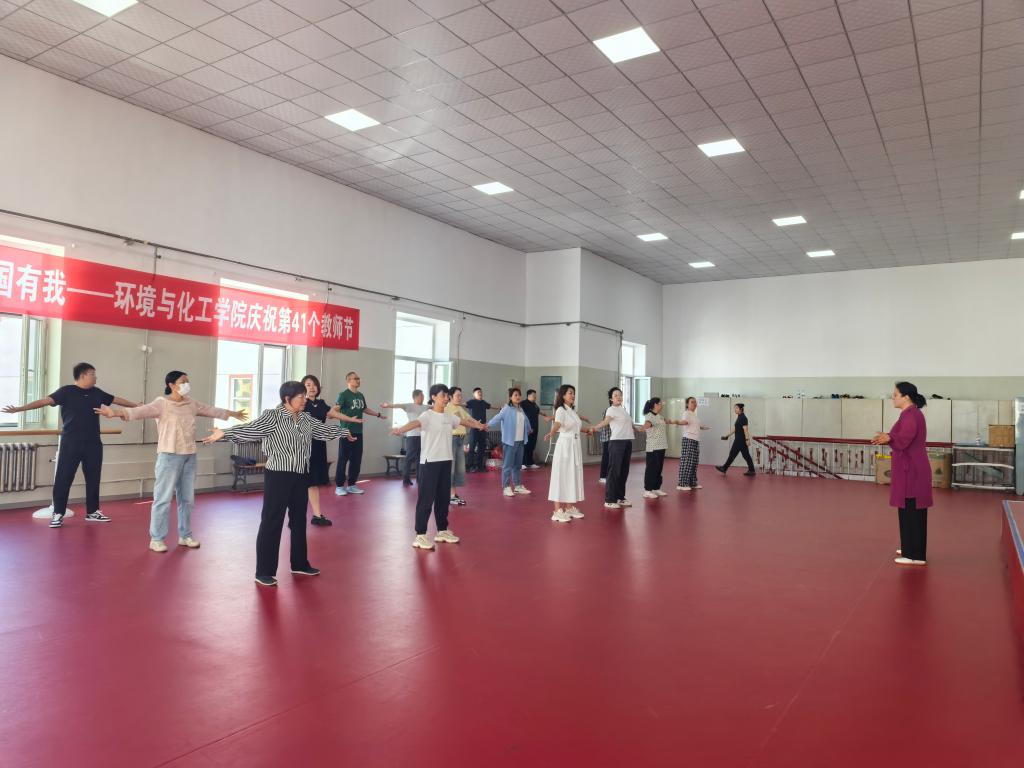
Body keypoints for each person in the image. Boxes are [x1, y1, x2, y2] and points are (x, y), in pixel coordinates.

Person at [204, 381, 356, 587]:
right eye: (300, 396)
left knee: (299, 520)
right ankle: (264, 571)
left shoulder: (305, 418)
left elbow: (322, 431)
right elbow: (252, 429)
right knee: (272, 520)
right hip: (278, 475)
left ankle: (299, 564)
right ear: (287, 398)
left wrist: (343, 432)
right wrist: (225, 433)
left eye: (304, 396)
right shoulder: (273, 416)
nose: (304, 399)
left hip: (300, 474)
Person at [96, 370, 246, 551]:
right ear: (172, 385)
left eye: (188, 381)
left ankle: (185, 535)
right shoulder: (162, 403)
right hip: (169, 456)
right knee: (163, 499)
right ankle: (156, 539)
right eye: (183, 381)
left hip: (189, 455)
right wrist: (114, 412)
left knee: (187, 499)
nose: (187, 384)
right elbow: (140, 411)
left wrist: (232, 413)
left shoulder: (191, 403)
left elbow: (209, 409)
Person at [2, 362, 137, 528]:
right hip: (71, 442)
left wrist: (137, 406)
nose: (96, 377)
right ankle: (58, 513)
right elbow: (44, 401)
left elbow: (116, 400)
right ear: (83, 375)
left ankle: (93, 512)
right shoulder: (66, 391)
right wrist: (19, 409)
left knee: (94, 477)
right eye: (93, 374)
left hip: (93, 443)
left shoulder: (97, 392)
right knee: (63, 478)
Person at [391, 383, 487, 550]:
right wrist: (400, 429)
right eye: (443, 395)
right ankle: (420, 535)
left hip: (446, 460)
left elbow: (464, 421)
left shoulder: (449, 416)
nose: (446, 398)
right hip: (429, 462)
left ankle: (442, 530)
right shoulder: (427, 415)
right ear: (434, 397)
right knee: (426, 499)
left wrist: (479, 426)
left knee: (443, 498)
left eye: (447, 396)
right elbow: (415, 423)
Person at [871, 382, 932, 566]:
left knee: (912, 510)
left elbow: (904, 439)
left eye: (895, 394)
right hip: (911, 468)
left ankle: (915, 555)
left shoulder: (911, 415)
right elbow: (902, 436)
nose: (893, 397)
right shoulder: (910, 414)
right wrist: (889, 437)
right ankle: (909, 547)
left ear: (906, 397)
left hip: (912, 470)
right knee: (908, 511)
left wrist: (890, 437)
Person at [303, 375, 360, 526]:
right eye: (308, 385)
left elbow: (334, 414)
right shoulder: (301, 403)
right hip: (302, 447)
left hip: (318, 445)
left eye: (314, 384)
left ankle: (317, 515)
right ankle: (296, 516)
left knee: (313, 482)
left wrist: (350, 419)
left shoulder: (321, 404)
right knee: (300, 483)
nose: (312, 387)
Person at [544, 384, 592, 522]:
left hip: (575, 446)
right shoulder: (560, 410)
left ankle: (569, 508)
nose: (573, 395)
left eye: (574, 393)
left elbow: (576, 427)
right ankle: (557, 511)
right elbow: (558, 424)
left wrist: (587, 430)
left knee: (572, 476)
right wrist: (551, 433)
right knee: (561, 476)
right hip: (565, 446)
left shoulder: (572, 411)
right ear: (563, 395)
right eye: (570, 393)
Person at [589, 387, 642, 509]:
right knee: (614, 471)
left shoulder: (623, 410)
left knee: (624, 471)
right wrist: (594, 428)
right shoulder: (611, 410)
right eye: (615, 395)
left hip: (627, 442)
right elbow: (606, 421)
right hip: (617, 442)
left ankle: (620, 497)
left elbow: (630, 423)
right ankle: (609, 500)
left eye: (620, 395)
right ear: (611, 399)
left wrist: (638, 429)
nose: (619, 397)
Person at [334, 371, 385, 496]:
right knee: (343, 459)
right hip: (346, 431)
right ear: (349, 380)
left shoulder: (360, 395)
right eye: (355, 378)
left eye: (359, 378)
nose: (358, 380)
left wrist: (378, 414)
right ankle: (339, 486)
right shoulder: (343, 395)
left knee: (356, 460)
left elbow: (364, 409)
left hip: (358, 432)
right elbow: (336, 409)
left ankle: (352, 485)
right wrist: (331, 413)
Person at [487, 387, 534, 497]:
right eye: (515, 395)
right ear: (510, 397)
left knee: (517, 466)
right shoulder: (506, 409)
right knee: (507, 466)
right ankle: (506, 487)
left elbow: (526, 420)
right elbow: (497, 418)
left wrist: (529, 429)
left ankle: (517, 486)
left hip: (520, 441)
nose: (518, 397)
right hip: (510, 442)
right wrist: (487, 425)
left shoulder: (520, 409)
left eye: (519, 395)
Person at [638, 397, 685, 499]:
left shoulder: (660, 416)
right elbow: (647, 424)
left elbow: (668, 421)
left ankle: (656, 488)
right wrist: (642, 428)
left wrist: (678, 422)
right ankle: (647, 490)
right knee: (651, 469)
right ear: (655, 405)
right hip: (653, 447)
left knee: (658, 468)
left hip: (662, 445)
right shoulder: (649, 416)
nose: (662, 406)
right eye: (660, 404)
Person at [380, 390, 429, 486]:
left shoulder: (425, 407)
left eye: (423, 395)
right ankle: (406, 479)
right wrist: (388, 405)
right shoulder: (410, 406)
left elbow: (434, 407)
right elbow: (399, 405)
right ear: (416, 397)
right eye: (421, 395)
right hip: (412, 436)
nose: (423, 397)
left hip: (423, 436)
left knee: (420, 459)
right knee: (409, 458)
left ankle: (419, 479)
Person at [677, 397, 711, 491]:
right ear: (687, 404)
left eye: (695, 402)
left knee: (694, 462)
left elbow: (696, 425)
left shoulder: (694, 415)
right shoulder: (686, 413)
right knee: (687, 461)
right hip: (688, 439)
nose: (694, 403)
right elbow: (685, 422)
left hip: (695, 440)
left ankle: (692, 483)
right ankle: (682, 484)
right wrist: (678, 422)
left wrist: (703, 427)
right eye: (692, 402)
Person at [446, 386, 470, 506]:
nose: (460, 397)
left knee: (458, 468)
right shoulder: (447, 408)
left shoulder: (460, 408)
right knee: (452, 468)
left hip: (460, 439)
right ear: (450, 396)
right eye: (457, 395)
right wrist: (478, 425)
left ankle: (453, 494)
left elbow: (469, 419)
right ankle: (450, 495)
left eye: (461, 395)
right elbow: (461, 422)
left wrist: (480, 425)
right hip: (452, 439)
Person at [716, 403, 756, 477]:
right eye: (735, 408)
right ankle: (752, 470)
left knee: (733, 454)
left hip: (740, 440)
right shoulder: (739, 417)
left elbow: (745, 429)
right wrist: (727, 436)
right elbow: (735, 429)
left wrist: (747, 439)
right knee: (746, 455)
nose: (735, 409)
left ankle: (724, 468)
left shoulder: (743, 418)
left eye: (736, 408)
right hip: (739, 439)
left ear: (741, 409)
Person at [464, 387, 497, 472]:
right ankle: (469, 466)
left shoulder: (483, 402)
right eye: (478, 392)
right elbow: (463, 404)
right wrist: (454, 403)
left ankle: (480, 466)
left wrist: (500, 408)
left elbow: (491, 406)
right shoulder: (471, 402)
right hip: (474, 428)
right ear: (474, 394)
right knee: (471, 448)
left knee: (482, 448)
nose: (480, 393)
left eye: (481, 392)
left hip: (483, 428)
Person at [521, 389, 541, 469]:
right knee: (525, 445)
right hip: (527, 428)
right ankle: (522, 463)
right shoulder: (523, 404)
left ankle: (530, 462)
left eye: (535, 396)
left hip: (535, 428)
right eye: (533, 396)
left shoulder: (535, 404)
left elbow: (538, 411)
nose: (535, 397)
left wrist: (544, 414)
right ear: (528, 395)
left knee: (532, 445)